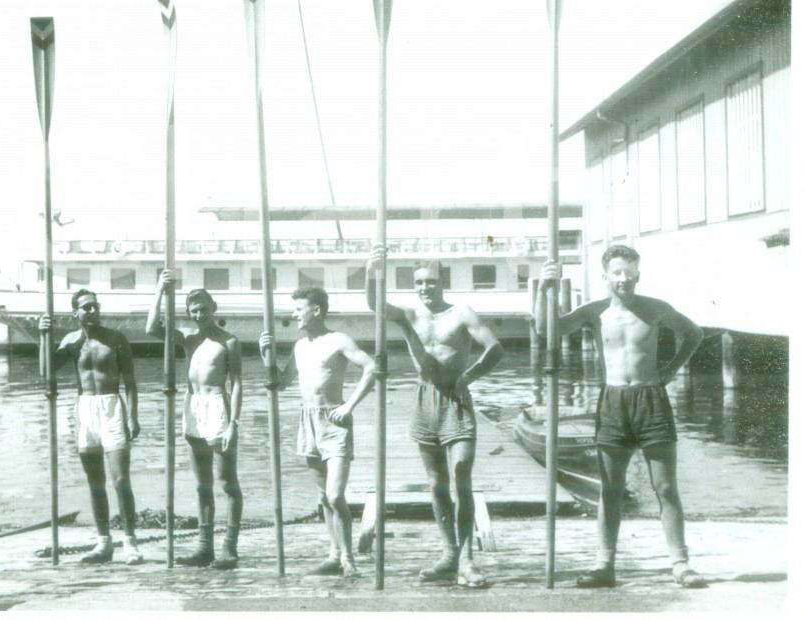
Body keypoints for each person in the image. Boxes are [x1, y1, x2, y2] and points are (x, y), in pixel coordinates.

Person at [534, 244, 707, 588]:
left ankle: (680, 564)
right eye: (617, 272)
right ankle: (605, 565)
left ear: (638, 275)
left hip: (651, 400)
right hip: (612, 402)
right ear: (606, 276)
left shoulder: (655, 308)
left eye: (629, 272)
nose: (623, 279)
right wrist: (543, 288)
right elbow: (547, 329)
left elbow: (694, 333)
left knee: (666, 487)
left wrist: (671, 370)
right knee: (611, 489)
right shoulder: (594, 312)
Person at [366, 246, 503, 588]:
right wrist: (371, 271)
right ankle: (449, 554)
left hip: (456, 399)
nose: (425, 287)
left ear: (443, 282)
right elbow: (375, 305)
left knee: (461, 474)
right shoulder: (409, 315)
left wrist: (468, 377)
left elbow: (495, 348)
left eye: (431, 281)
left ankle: (467, 560)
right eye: (419, 282)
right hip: (425, 399)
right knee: (436, 483)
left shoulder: (461, 313)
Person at [259, 287, 375, 577]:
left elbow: (372, 367)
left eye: (299, 309)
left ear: (317, 310)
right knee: (323, 496)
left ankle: (348, 558)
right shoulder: (300, 346)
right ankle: (334, 555)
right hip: (307, 420)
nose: (294, 314)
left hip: (334, 420)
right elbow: (280, 383)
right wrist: (265, 357)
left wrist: (349, 405)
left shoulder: (338, 340)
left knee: (335, 495)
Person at [147, 270, 243, 568]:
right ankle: (205, 548)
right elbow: (151, 328)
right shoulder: (188, 339)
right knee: (202, 485)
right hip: (193, 407)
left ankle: (230, 548)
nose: (199, 315)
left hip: (218, 408)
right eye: (194, 311)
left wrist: (234, 423)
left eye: (203, 309)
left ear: (213, 308)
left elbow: (238, 383)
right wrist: (160, 290)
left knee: (227, 482)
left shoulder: (228, 341)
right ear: (189, 313)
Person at [39, 289, 142, 564]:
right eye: (86, 307)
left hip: (112, 406)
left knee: (121, 480)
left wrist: (133, 416)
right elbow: (46, 372)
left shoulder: (116, 339)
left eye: (95, 305)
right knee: (95, 481)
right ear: (75, 312)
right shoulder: (71, 341)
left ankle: (130, 542)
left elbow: (130, 381)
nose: (93, 311)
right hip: (85, 408)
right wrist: (43, 335)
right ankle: (103, 543)